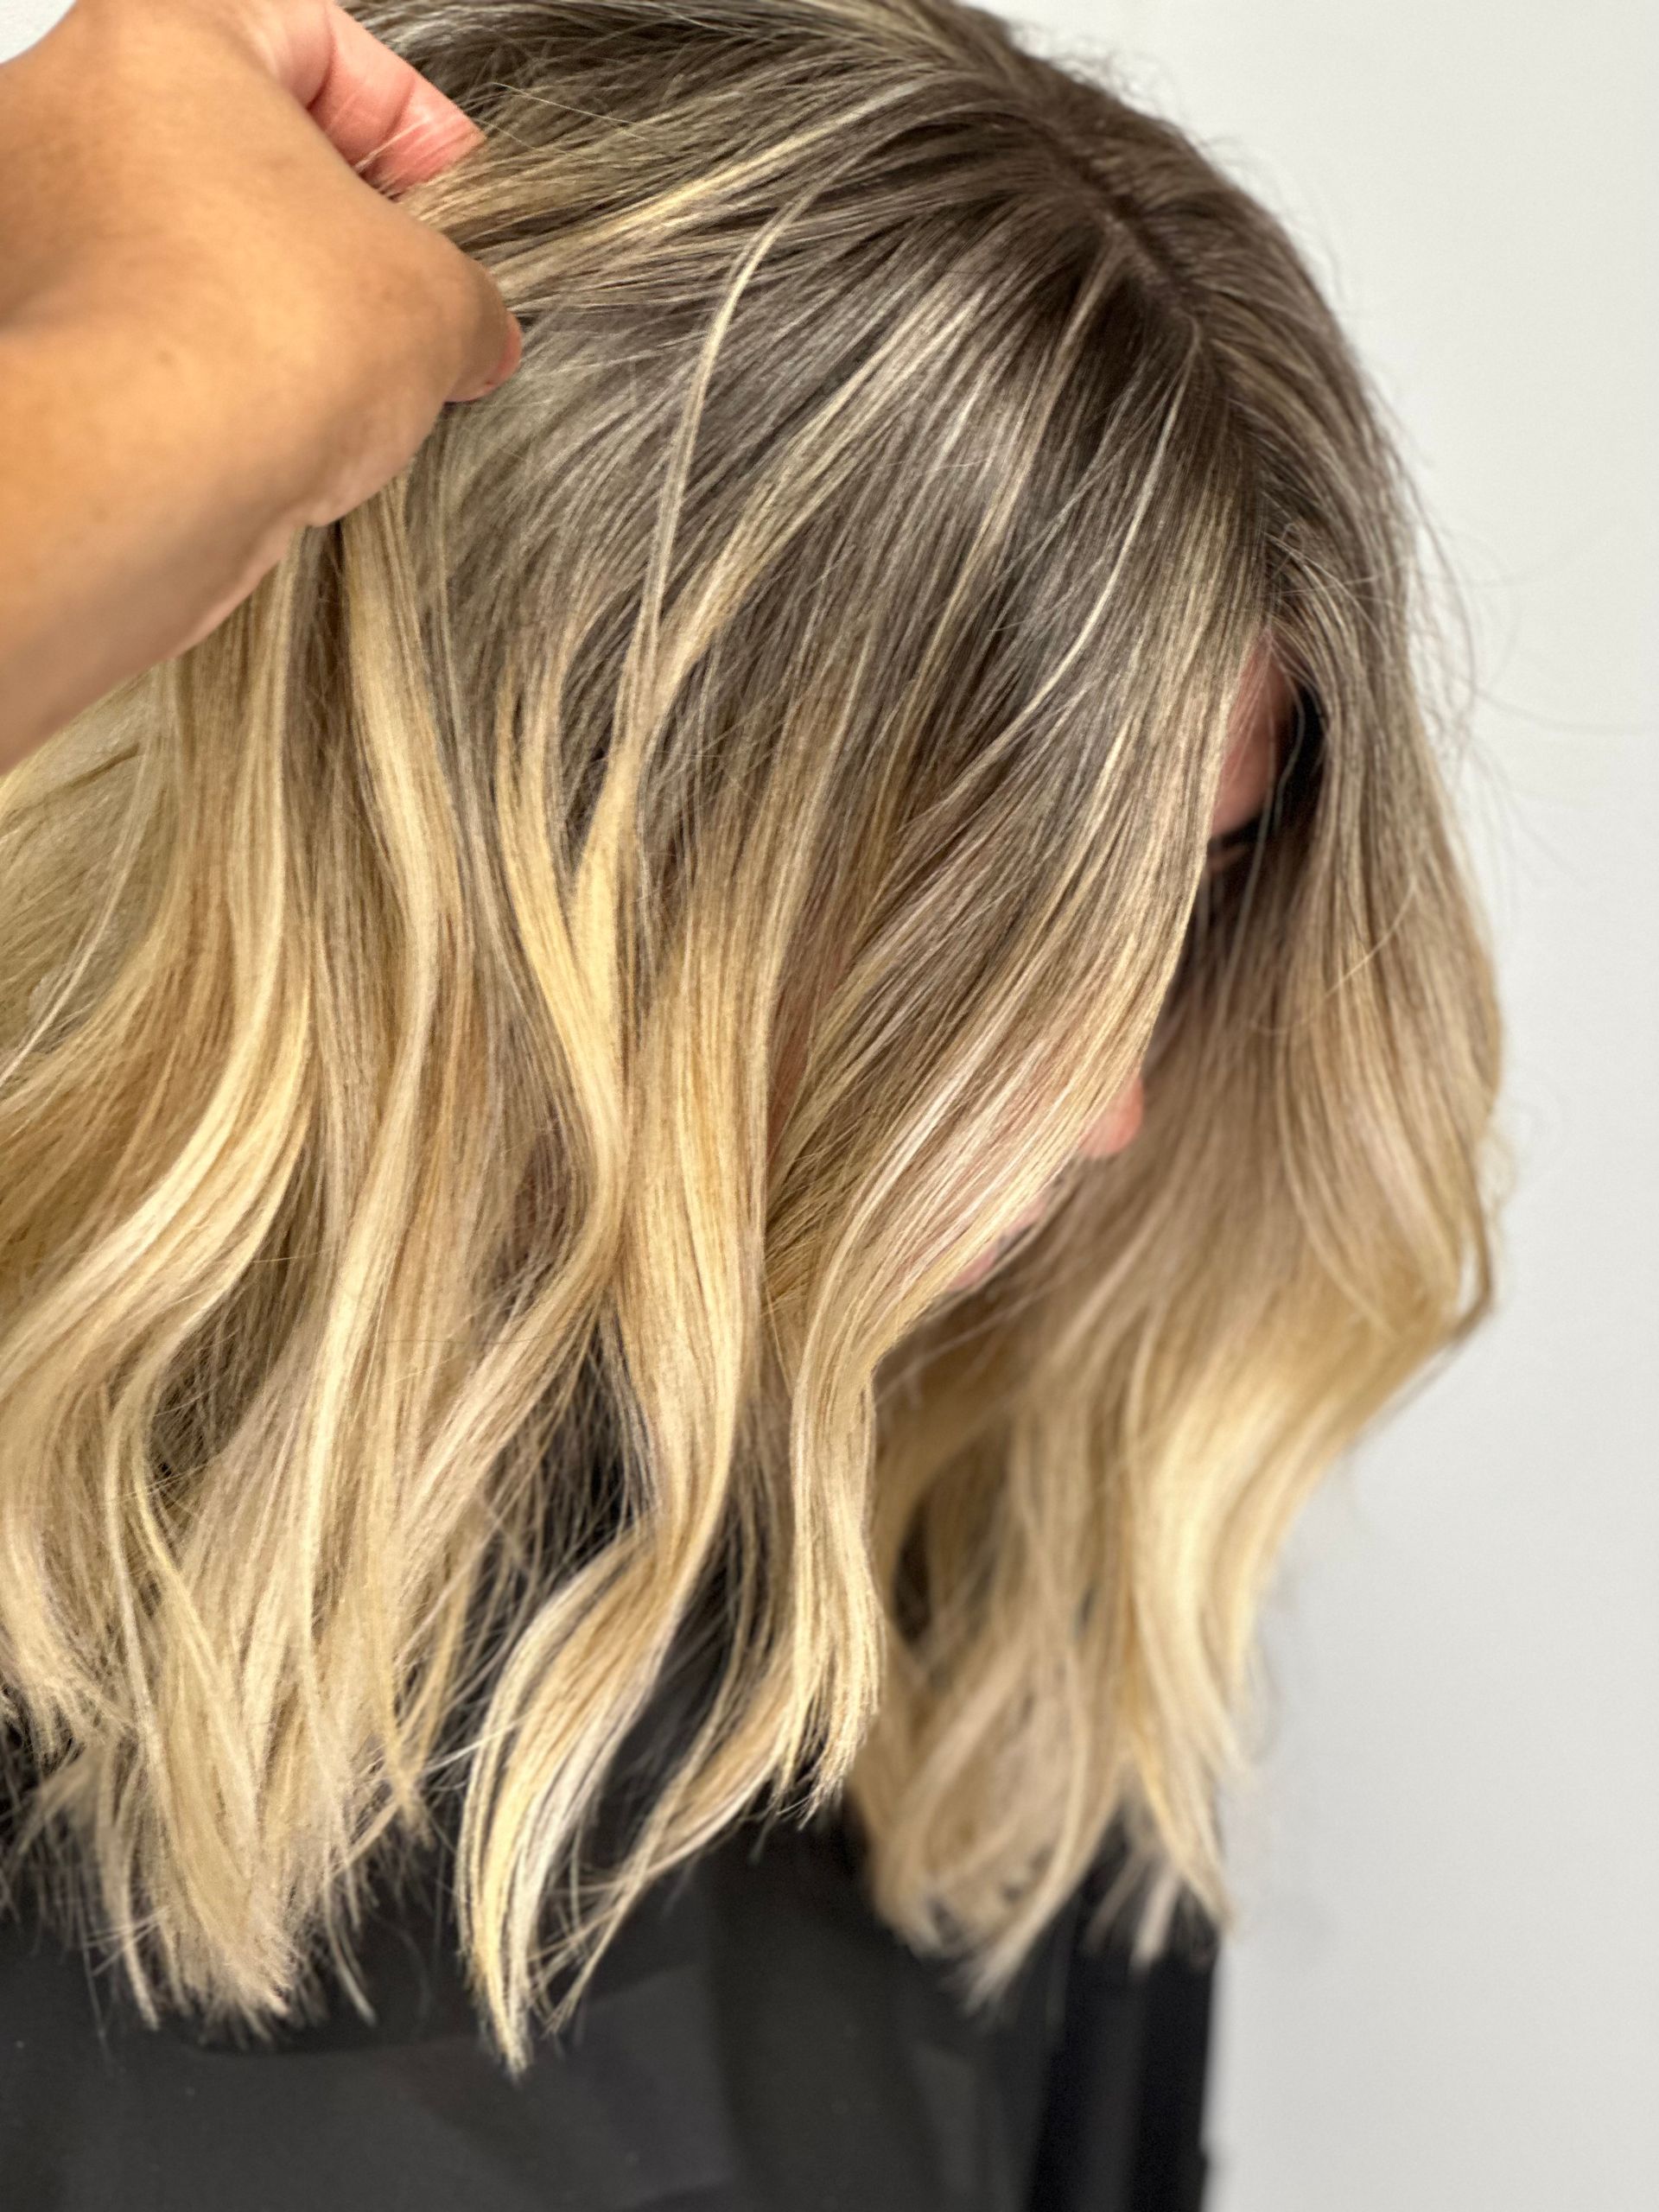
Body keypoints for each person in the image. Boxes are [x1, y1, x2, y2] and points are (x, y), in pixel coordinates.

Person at [0, 3, 1510, 2207]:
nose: (1111, 1104)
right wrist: (131, 402)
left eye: (1180, 900)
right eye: (978, 943)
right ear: (526, 843)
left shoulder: (996, 1644)